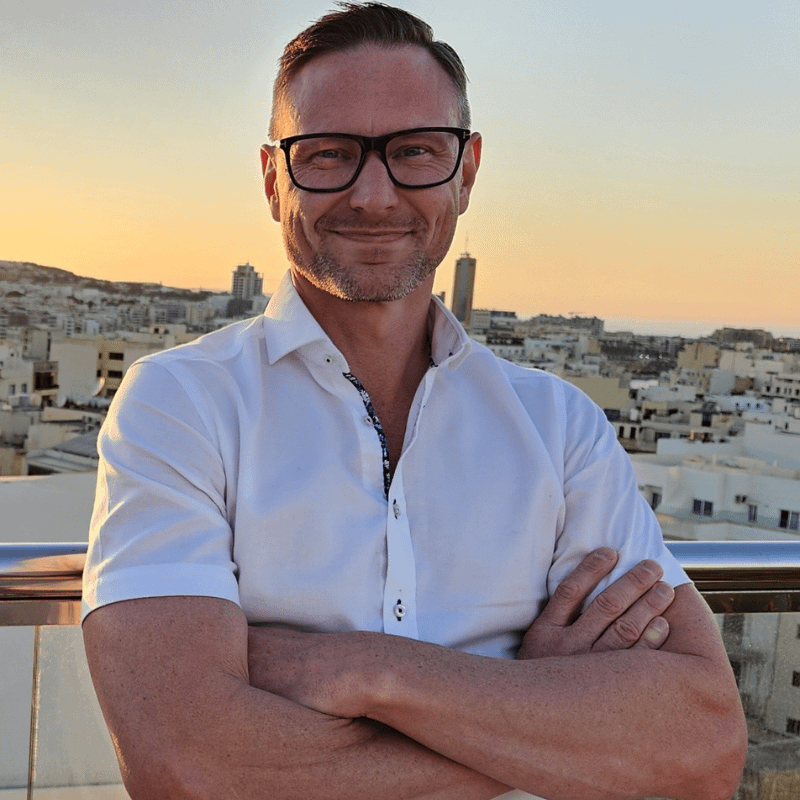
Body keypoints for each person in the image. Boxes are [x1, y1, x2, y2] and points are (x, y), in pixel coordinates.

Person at [82, 4, 746, 799]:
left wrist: (366, 671)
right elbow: (186, 768)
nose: (372, 196)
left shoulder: (561, 427)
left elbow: (703, 745)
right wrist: (534, 712)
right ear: (272, 179)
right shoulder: (183, 403)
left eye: (415, 151)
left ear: (466, 172)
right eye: (328, 154)